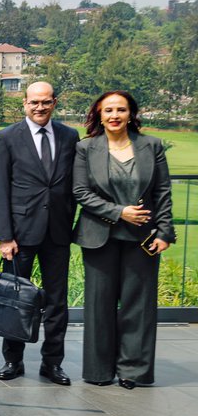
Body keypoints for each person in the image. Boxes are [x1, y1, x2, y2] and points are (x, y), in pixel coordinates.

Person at [73, 90, 173, 389]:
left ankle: (134, 372)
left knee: (138, 307)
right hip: (98, 236)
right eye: (108, 110)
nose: (114, 115)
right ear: (99, 115)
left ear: (131, 114)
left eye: (121, 109)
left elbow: (162, 191)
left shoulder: (151, 146)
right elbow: (81, 192)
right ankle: (99, 372)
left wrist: (166, 231)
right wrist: (120, 212)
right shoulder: (86, 148)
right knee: (99, 307)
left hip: (143, 238)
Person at [0, 81, 79, 386]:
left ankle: (52, 363)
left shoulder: (70, 136)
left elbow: (73, 185)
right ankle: (12, 360)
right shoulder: (6, 137)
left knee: (57, 303)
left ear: (54, 102)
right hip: (20, 234)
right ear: (24, 104)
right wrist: (4, 236)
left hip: (57, 233)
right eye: (33, 103)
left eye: (45, 102)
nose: (39, 108)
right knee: (15, 301)